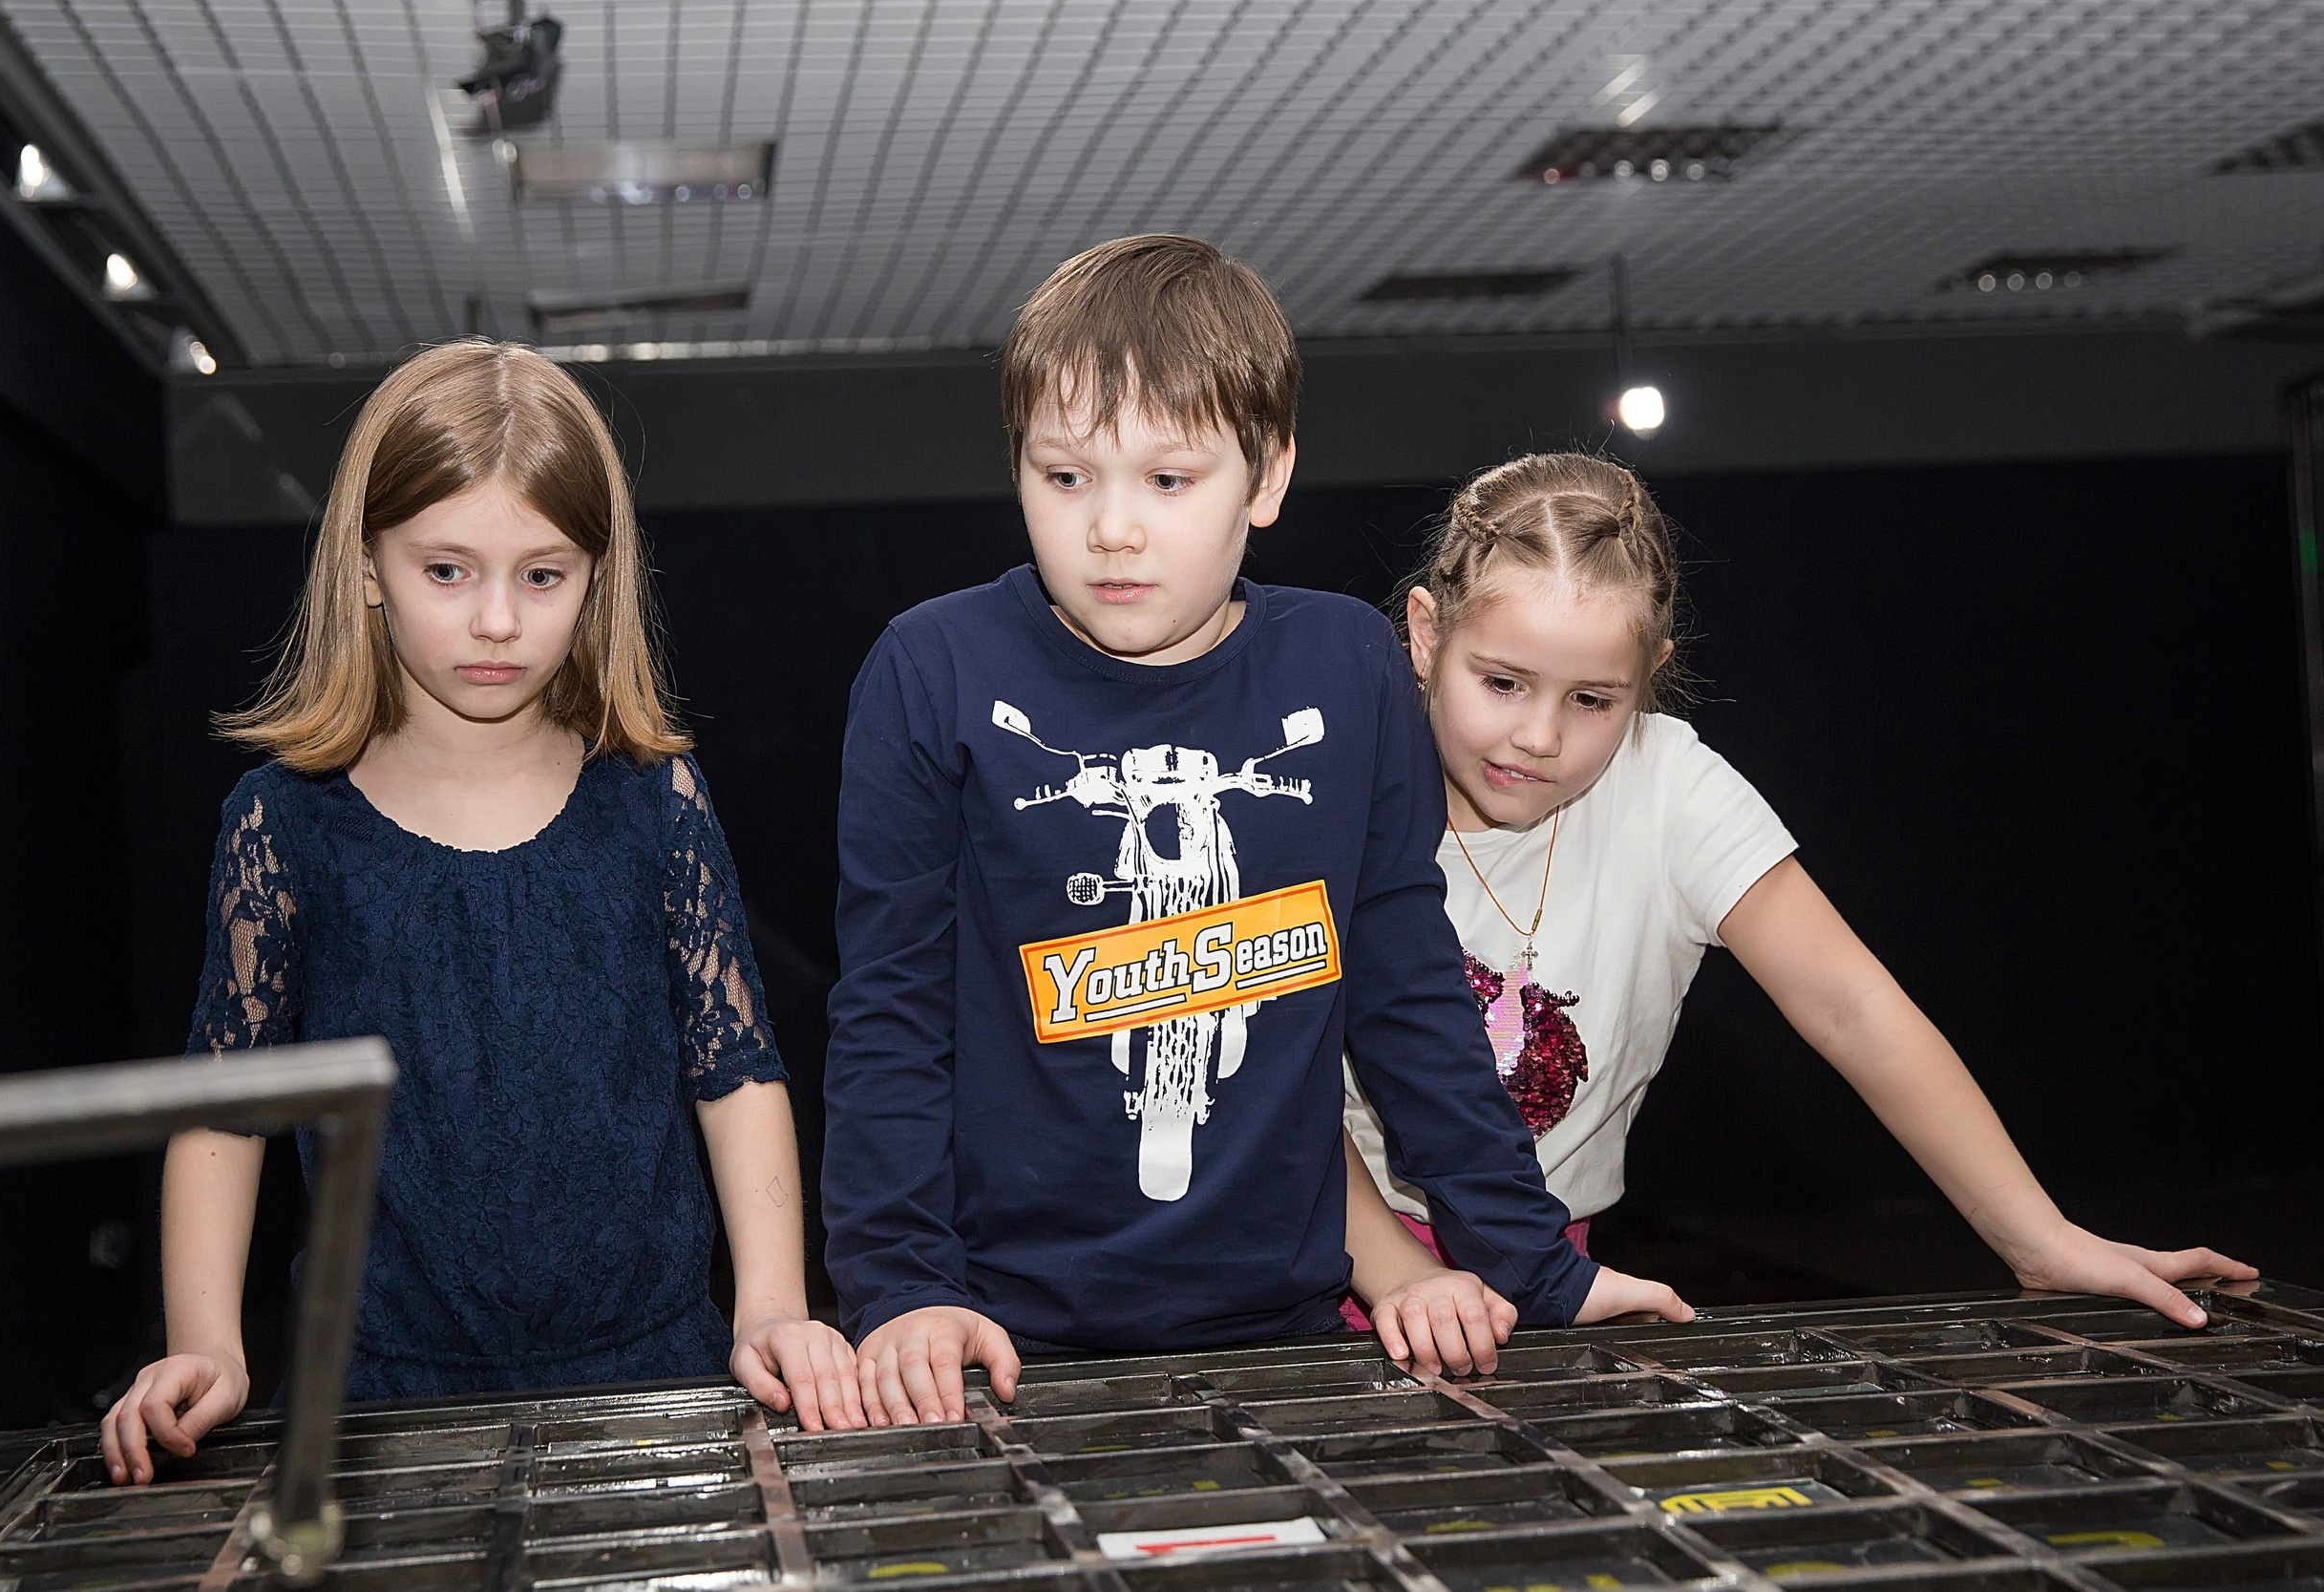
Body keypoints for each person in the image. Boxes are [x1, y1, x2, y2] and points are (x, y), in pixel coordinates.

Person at [822, 236, 1694, 1433]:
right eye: (1064, 474)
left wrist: (1535, 1266)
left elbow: (1406, 991)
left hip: (1288, 1327)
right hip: (994, 1330)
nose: (1112, 527)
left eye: (1168, 478)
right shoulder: (932, 668)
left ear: (1267, 474)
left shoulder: (1348, 665)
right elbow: (891, 1011)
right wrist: (901, 1286)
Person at [99, 342, 863, 1485]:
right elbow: (224, 1106)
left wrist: (771, 1305)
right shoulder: (282, 822)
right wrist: (205, 1340)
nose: (496, 619)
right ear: (368, 564)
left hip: (656, 1380)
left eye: (541, 575)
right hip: (375, 1403)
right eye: (447, 570)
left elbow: (735, 1065)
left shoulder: (656, 796)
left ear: (596, 576)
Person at [1342, 451, 2257, 1374]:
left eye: (1591, 700)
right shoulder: (1335, 791)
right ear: (1425, 633)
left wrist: (2041, 1239)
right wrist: (1396, 1270)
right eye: (1502, 683)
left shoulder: (1671, 788)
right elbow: (1273, 1080)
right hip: (1339, 1249)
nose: (1539, 736)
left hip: (1553, 1261)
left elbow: (1852, 1007)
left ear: (1649, 675)